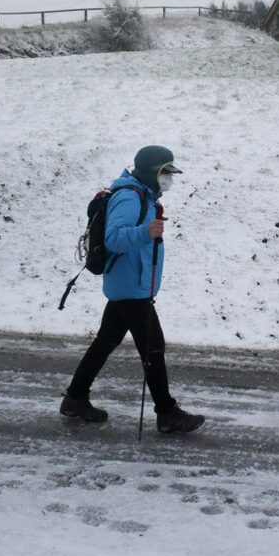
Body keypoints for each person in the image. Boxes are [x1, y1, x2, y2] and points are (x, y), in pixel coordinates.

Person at [60, 145, 205, 434]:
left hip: (128, 284)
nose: (169, 178)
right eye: (165, 172)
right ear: (153, 172)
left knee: (105, 342)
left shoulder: (143, 194)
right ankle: (167, 414)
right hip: (131, 288)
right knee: (153, 348)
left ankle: (75, 399)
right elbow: (114, 238)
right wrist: (144, 232)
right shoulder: (129, 196)